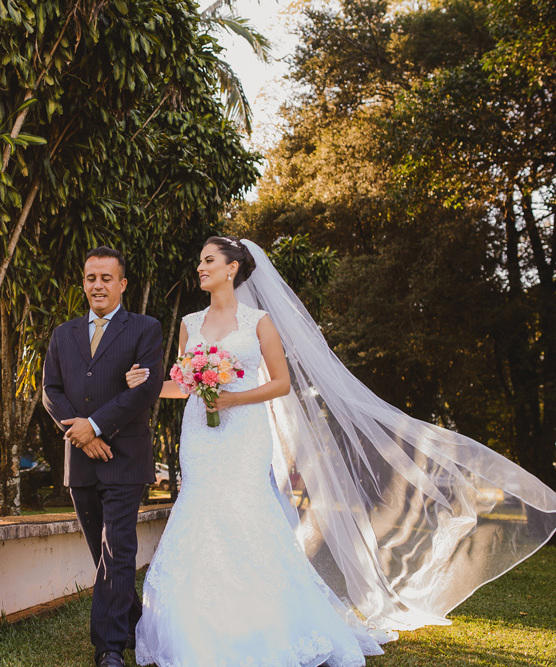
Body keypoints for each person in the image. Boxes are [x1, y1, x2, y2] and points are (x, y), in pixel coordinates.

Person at [125, 236, 556, 666]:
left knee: (243, 512)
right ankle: (201, 622)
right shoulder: (189, 322)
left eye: (208, 260)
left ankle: (263, 620)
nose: (200, 267)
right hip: (201, 435)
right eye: (200, 261)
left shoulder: (258, 321)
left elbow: (281, 383)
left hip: (243, 433)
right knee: (201, 511)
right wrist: (146, 386)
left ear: (232, 268)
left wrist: (234, 399)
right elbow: (184, 385)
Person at [42, 246, 164, 667]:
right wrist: (79, 432)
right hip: (80, 459)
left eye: (106, 278)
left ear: (122, 284)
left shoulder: (146, 328)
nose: (98, 285)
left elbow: (146, 390)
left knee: (118, 550)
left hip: (125, 455)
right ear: (84, 283)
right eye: (91, 278)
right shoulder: (63, 334)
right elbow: (50, 391)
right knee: (101, 551)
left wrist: (94, 426)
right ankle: (134, 621)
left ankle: (108, 648)